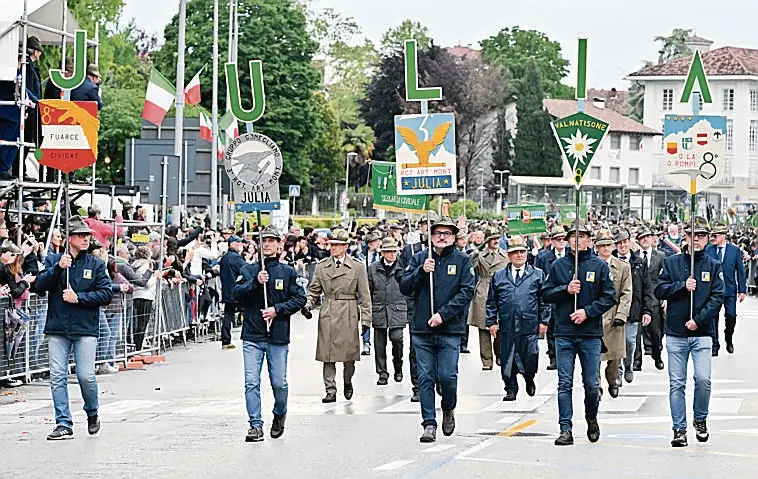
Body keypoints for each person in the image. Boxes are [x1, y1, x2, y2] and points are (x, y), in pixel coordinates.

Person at [35, 216, 113, 440]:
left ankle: (92, 412)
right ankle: (63, 422)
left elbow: (106, 293)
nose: (86, 239)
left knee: (85, 376)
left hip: (85, 328)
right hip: (58, 327)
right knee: (57, 376)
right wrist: (58, 269)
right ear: (70, 238)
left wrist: (79, 297)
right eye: (80, 235)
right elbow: (39, 286)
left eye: (87, 235)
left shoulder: (96, 264)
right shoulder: (53, 260)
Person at [400, 217, 475, 443]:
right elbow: (405, 287)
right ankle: (429, 423)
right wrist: (421, 272)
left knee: (447, 376)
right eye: (437, 233)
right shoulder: (420, 258)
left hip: (449, 329)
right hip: (422, 329)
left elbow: (466, 292)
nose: (441, 237)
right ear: (430, 236)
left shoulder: (462, 260)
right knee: (425, 377)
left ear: (454, 236)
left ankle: (448, 408)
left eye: (447, 233)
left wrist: (443, 314)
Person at [542, 220, 616, 446]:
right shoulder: (558, 266)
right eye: (573, 236)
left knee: (592, 384)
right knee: (564, 383)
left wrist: (588, 312)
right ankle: (565, 428)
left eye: (582, 236)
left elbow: (609, 296)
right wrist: (565, 290)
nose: (577, 240)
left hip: (590, 334)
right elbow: (546, 293)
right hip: (564, 332)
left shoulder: (599, 266)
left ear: (589, 240)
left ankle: (591, 416)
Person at [654, 218, 723, 447]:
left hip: (702, 332)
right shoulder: (672, 262)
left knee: (703, 378)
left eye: (701, 236)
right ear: (685, 237)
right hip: (676, 332)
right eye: (692, 235)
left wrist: (699, 320)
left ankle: (700, 418)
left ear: (706, 239)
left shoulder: (713, 265)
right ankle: (679, 428)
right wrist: (682, 285)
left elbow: (717, 297)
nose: (696, 240)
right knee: (677, 383)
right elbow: (660, 289)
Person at [234, 227, 307, 442]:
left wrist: (278, 309)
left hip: (277, 336)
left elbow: (299, 299)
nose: (267, 244)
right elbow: (236, 294)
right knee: (251, 382)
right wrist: (255, 282)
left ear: (279, 244)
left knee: (279, 383)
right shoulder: (248, 270)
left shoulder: (288, 272)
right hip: (252, 336)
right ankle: (255, 424)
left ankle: (279, 412)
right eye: (263, 241)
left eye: (271, 241)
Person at [305, 229, 372, 403]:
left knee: (349, 356)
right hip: (328, 310)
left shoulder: (357, 267)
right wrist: (308, 305)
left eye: (336, 245)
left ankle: (347, 381)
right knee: (327, 354)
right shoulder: (322, 266)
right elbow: (313, 291)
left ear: (345, 246)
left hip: (349, 312)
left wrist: (366, 319)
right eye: (331, 245)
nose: (332, 248)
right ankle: (330, 390)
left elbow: (364, 296)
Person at [486, 235, 548, 401]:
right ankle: (510, 388)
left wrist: (544, 321)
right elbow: (491, 301)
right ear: (509, 255)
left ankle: (529, 377)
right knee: (508, 357)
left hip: (529, 323)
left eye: (522, 252)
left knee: (530, 355)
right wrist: (491, 321)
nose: (519, 255)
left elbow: (545, 300)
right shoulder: (498, 276)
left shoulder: (537, 274)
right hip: (507, 323)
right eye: (515, 253)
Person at [593, 229, 631, 399]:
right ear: (596, 247)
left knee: (614, 357)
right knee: (593, 357)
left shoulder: (623, 267)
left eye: (608, 245)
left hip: (615, 317)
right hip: (594, 316)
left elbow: (626, 292)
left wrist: (622, 315)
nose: (606, 248)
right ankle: (597, 385)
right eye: (602, 246)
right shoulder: (590, 265)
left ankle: (612, 379)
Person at [613, 229, 655, 384]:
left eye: (625, 242)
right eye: (619, 243)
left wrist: (647, 310)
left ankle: (628, 365)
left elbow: (646, 287)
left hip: (634, 309)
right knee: (617, 343)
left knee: (630, 342)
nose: (622, 246)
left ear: (630, 242)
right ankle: (618, 372)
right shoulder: (611, 260)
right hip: (616, 310)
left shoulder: (639, 262)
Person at [468, 227, 509, 371]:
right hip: (483, 289)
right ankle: (486, 360)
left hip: (501, 290)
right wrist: (477, 249)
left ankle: (500, 354)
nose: (496, 241)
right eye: (492, 238)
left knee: (501, 325)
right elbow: (470, 264)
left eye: (498, 238)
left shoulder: (505, 255)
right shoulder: (479, 255)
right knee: (483, 327)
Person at [367, 237, 406, 386]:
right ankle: (382, 373)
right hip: (379, 309)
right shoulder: (373, 268)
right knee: (379, 344)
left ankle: (398, 366)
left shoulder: (403, 267)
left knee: (397, 339)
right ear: (382, 253)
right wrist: (367, 309)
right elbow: (368, 290)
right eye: (388, 251)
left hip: (397, 309)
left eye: (394, 251)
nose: (392, 254)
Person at [705, 223, 746, 355]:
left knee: (731, 316)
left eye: (715, 235)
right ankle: (714, 345)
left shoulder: (734, 251)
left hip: (729, 290)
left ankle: (728, 338)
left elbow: (740, 271)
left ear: (723, 236)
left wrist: (742, 290)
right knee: (713, 318)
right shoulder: (709, 250)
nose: (713, 238)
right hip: (713, 291)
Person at [535, 226, 568, 371]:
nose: (561, 242)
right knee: (551, 329)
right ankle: (553, 357)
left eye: (563, 239)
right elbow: (538, 277)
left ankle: (564, 356)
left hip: (568, 297)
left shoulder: (572, 255)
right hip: (550, 296)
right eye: (558, 239)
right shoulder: (543, 257)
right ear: (552, 241)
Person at [635, 227, 666, 371]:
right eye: (642, 238)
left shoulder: (660, 256)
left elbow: (664, 277)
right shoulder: (634, 256)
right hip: (637, 297)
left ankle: (657, 355)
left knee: (655, 330)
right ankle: (637, 361)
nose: (645, 239)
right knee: (637, 332)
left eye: (647, 236)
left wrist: (664, 297)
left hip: (654, 296)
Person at [220, 235, 248, 350]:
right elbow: (246, 269)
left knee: (228, 314)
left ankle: (225, 340)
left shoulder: (225, 257)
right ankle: (249, 337)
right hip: (237, 291)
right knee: (248, 312)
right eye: (238, 243)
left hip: (227, 290)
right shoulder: (235, 257)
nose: (240, 245)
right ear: (232, 244)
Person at [361, 232, 383, 356]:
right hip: (365, 287)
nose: (377, 243)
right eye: (375, 241)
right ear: (369, 244)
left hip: (379, 288)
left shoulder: (381, 255)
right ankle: (366, 342)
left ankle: (379, 342)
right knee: (366, 315)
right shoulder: (361, 256)